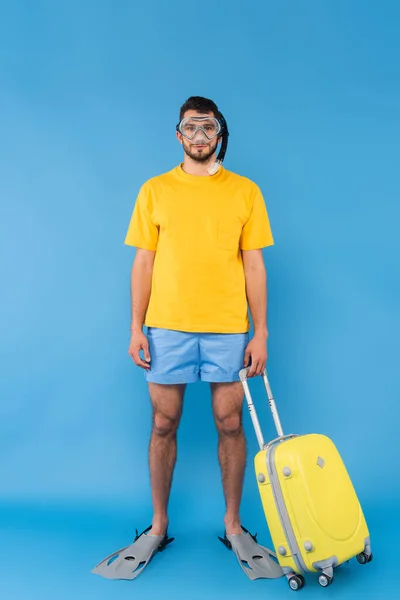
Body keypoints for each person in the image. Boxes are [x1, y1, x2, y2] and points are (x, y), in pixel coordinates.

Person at [92, 96, 283, 582]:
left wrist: (260, 332)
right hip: (167, 327)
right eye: (190, 128)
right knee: (163, 422)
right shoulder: (155, 190)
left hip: (226, 328)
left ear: (221, 133)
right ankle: (158, 525)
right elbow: (144, 262)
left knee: (229, 421)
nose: (200, 136)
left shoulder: (245, 192)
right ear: (178, 135)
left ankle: (234, 525)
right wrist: (136, 327)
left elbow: (255, 264)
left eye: (209, 127)